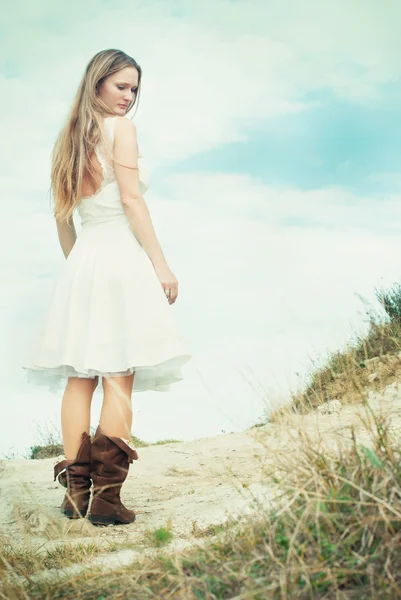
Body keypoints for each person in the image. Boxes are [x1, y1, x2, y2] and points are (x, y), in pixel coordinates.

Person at [22, 48, 192, 526]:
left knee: (80, 377)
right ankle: (107, 500)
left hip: (83, 261)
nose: (129, 97)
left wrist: (78, 269)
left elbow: (63, 219)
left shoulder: (68, 139)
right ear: (97, 82)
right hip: (120, 259)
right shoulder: (121, 130)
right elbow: (133, 201)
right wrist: (161, 264)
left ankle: (75, 494)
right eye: (122, 86)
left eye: (134, 89)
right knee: (119, 375)